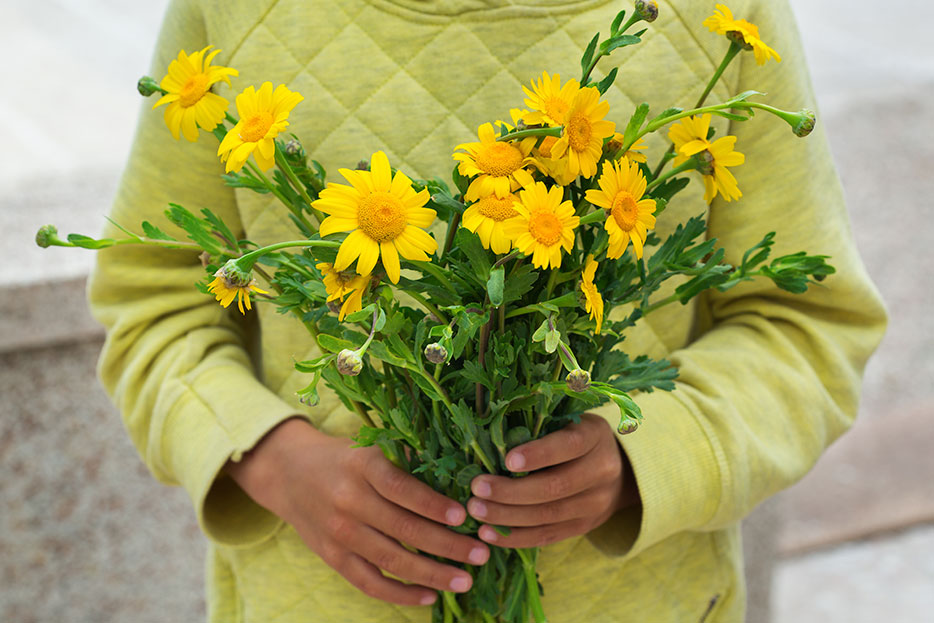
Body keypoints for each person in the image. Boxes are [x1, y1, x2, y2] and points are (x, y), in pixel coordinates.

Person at [88, 0, 886, 621]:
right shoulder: (236, 15)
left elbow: (806, 327)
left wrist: (648, 456)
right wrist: (271, 458)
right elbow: (156, 301)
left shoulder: (716, 22)